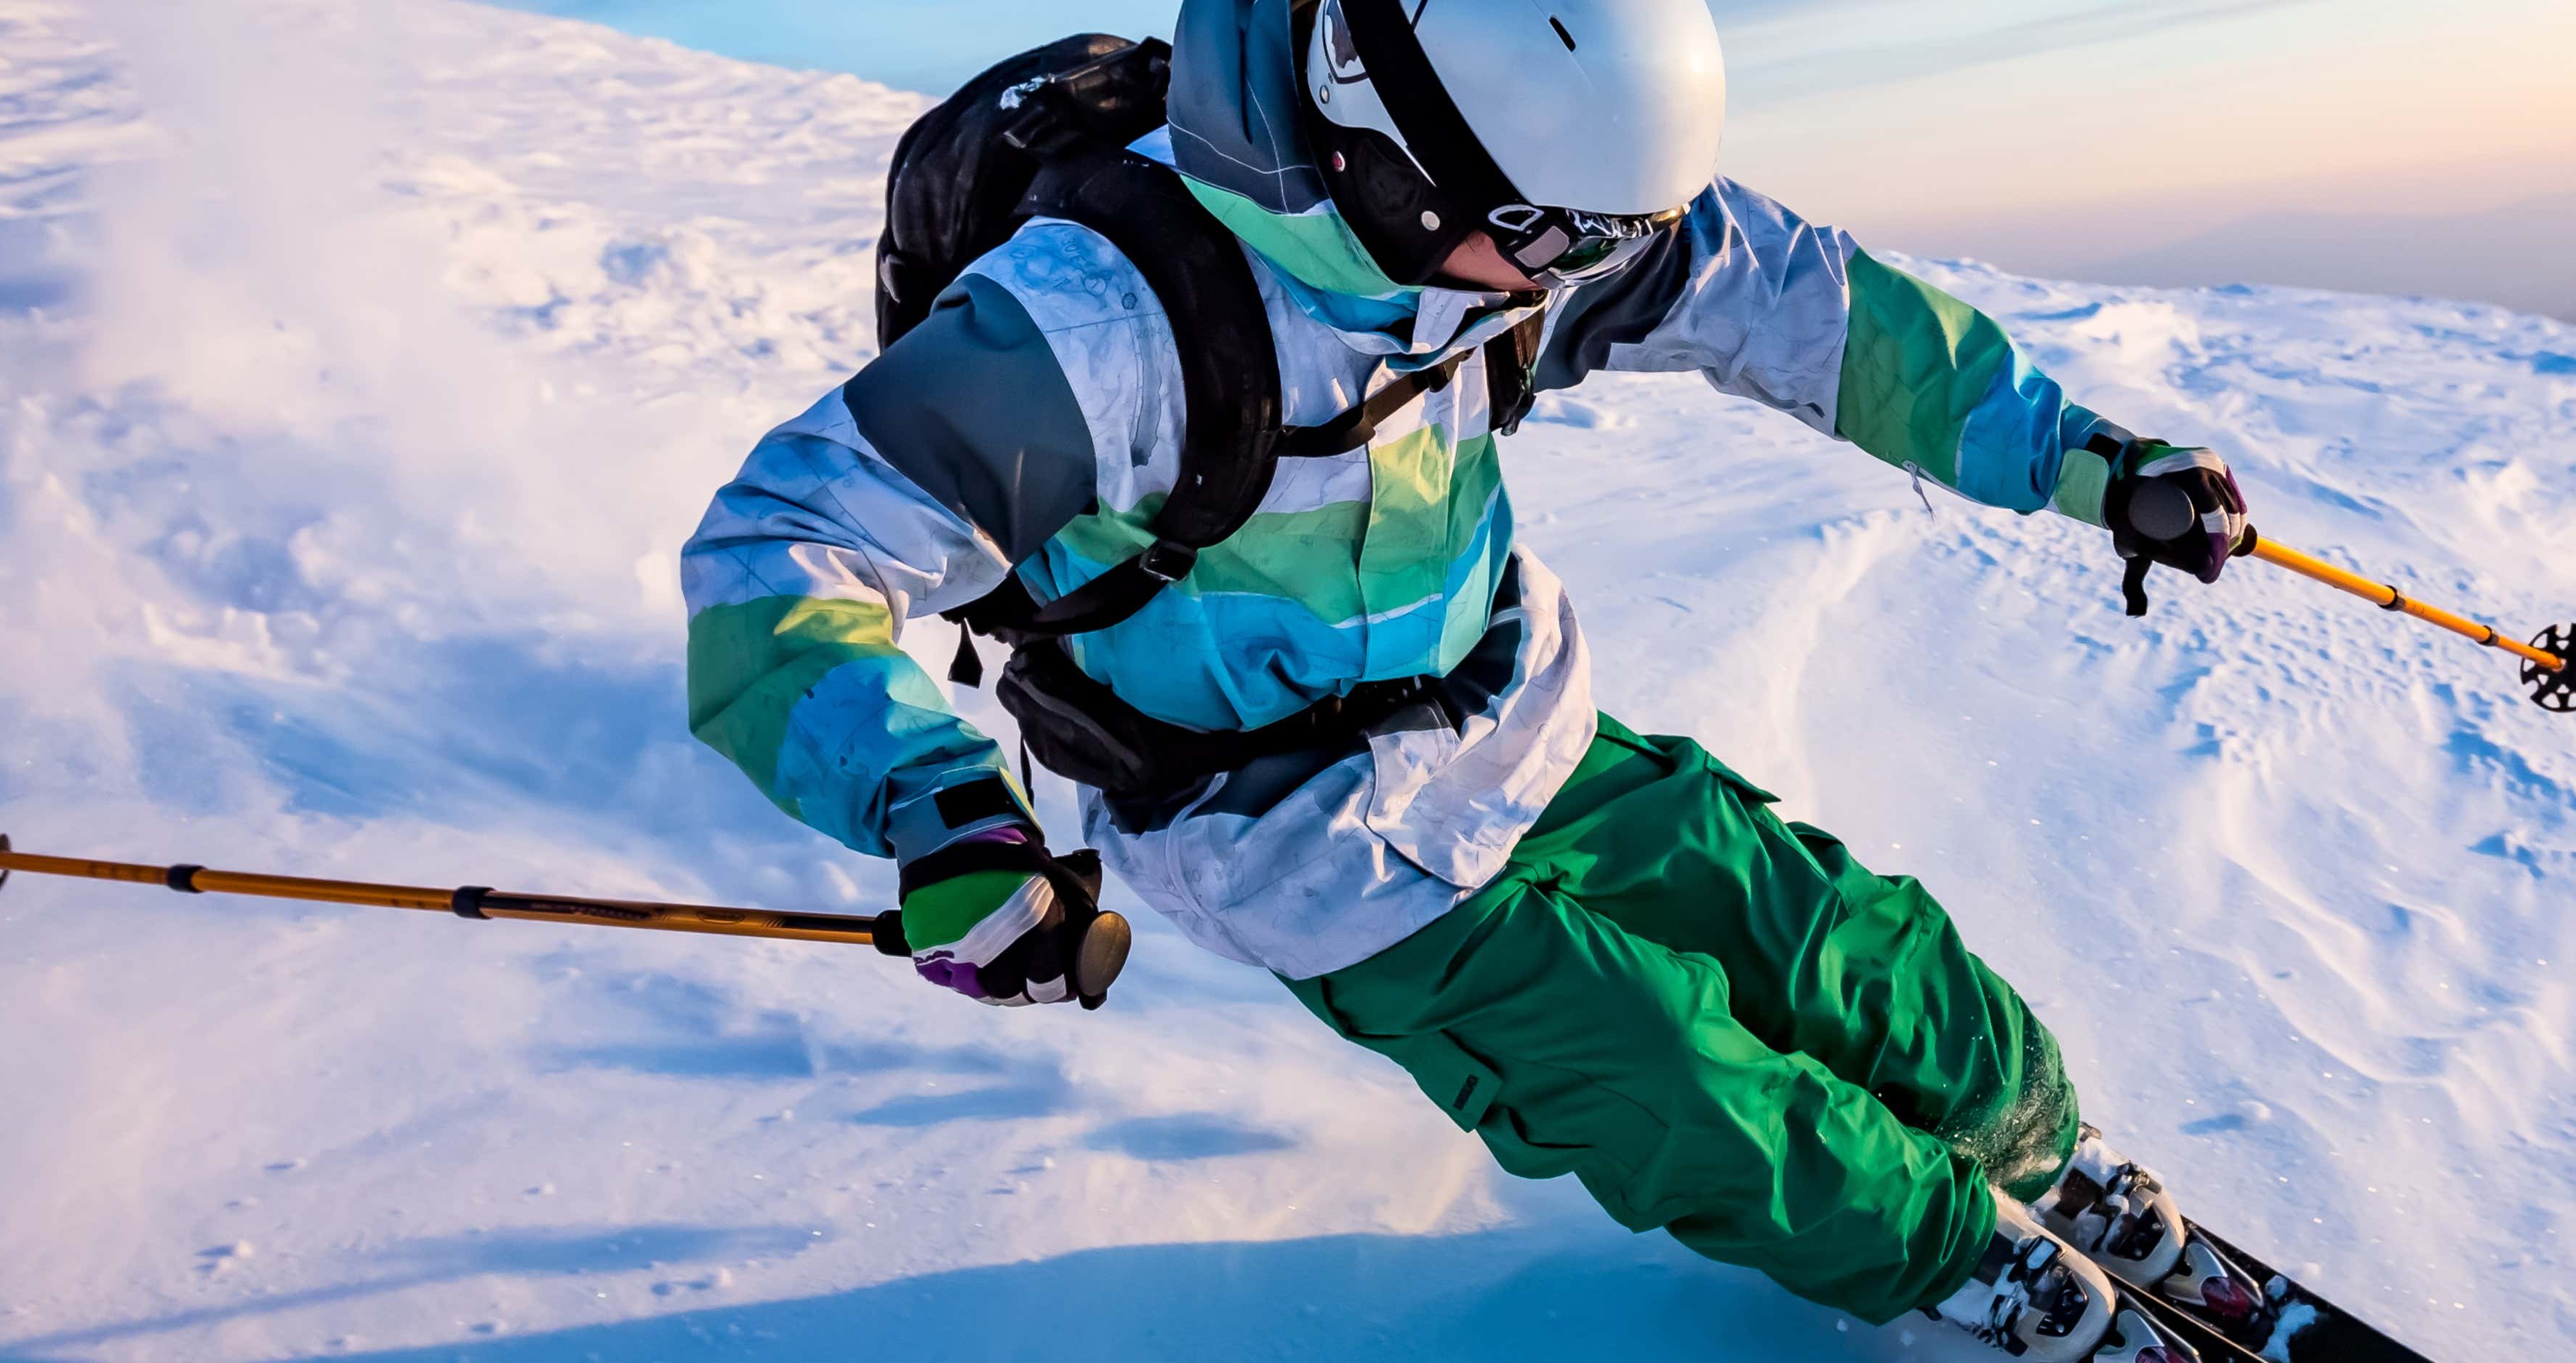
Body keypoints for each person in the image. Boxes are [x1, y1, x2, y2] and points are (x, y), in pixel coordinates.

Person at [679, 1, 2252, 1356]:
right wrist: (943, 812)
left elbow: (1813, 309)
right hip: (1296, 839)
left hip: (1514, 717)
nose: (1583, 276)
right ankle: (1954, 1262)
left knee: (1848, 950)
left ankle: (2042, 1152)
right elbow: (780, 557)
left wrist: (2085, 464)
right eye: (1568, 240)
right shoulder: (1105, 327)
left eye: (1619, 234)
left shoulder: (1512, 215)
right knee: (1682, 1082)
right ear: (1376, 147)